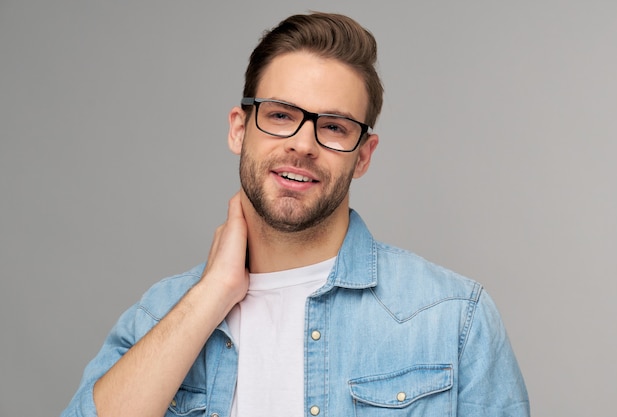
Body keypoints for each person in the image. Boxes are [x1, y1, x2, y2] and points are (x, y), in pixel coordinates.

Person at [62, 11, 529, 417]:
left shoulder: (453, 319)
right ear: (239, 129)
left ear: (363, 156)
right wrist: (212, 294)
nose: (302, 145)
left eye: (333, 127)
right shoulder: (162, 313)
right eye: (282, 115)